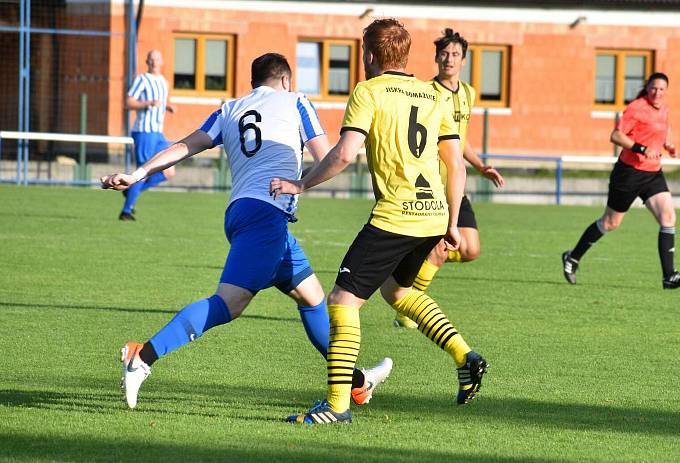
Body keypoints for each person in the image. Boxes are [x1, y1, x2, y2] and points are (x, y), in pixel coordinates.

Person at [101, 53, 392, 410]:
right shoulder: (297, 101)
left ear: (254, 83)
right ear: (286, 80)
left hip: (242, 212)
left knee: (312, 297)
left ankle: (355, 383)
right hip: (267, 216)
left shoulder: (230, 109)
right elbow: (328, 155)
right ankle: (142, 356)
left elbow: (184, 145)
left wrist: (136, 174)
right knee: (230, 303)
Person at [272, 19, 488, 425]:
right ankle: (465, 355)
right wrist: (453, 222)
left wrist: (301, 183)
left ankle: (337, 407)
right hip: (433, 214)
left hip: (396, 216)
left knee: (341, 302)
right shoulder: (433, 94)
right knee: (399, 293)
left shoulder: (368, 91)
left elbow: (343, 154)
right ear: (405, 55)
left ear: (370, 55)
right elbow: (455, 165)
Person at [394, 28, 505, 329]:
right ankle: (407, 309)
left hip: (456, 186)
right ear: (436, 58)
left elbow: (459, 139)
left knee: (470, 249)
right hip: (432, 186)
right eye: (444, 54)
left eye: (455, 54)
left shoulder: (469, 93)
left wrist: (481, 166)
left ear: (464, 60)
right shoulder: (426, 94)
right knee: (442, 248)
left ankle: (417, 261)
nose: (449, 59)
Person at [561, 72, 680, 290]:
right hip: (628, 174)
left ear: (666, 91)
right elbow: (615, 135)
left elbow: (662, 128)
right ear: (647, 88)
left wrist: (668, 144)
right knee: (610, 223)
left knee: (668, 217)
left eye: (661, 89)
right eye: (653, 88)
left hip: (653, 173)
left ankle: (669, 276)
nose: (657, 93)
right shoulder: (636, 108)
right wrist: (641, 148)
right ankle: (572, 257)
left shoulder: (664, 108)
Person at [119, 49, 177, 221]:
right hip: (144, 131)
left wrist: (168, 106)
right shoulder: (142, 80)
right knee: (143, 171)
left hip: (158, 132)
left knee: (169, 171)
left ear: (161, 61)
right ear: (147, 62)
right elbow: (128, 102)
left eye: (157, 59)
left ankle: (131, 190)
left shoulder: (164, 82)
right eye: (151, 59)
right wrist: (147, 103)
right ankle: (126, 211)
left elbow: (161, 101)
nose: (154, 62)